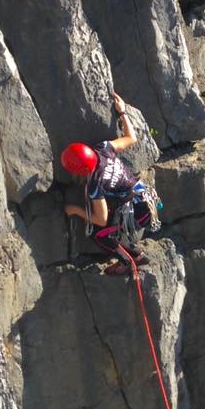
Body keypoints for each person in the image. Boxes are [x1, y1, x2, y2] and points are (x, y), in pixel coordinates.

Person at [61, 92, 155, 276]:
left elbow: (100, 219)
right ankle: (137, 255)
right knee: (108, 225)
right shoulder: (103, 149)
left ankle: (127, 261)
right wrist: (122, 112)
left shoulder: (96, 184)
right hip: (143, 197)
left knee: (99, 233)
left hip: (140, 213)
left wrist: (74, 210)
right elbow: (131, 138)